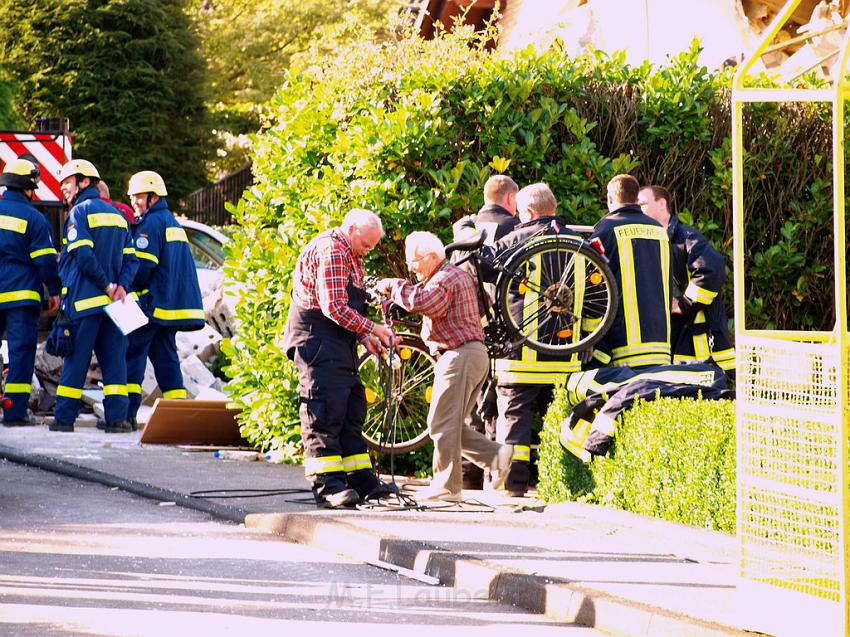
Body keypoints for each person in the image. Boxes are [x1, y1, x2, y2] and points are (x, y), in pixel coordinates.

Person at [375, 231, 513, 503]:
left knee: (440, 424)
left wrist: (395, 286)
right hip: (470, 355)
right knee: (449, 425)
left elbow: (425, 303)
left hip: (458, 356)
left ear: (431, 257)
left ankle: (448, 487)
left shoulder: (445, 277)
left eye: (413, 261)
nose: (412, 268)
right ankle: (498, 457)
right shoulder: (456, 275)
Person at [475, 183, 584, 496]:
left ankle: (513, 485)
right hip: (566, 350)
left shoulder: (517, 237)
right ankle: (561, 484)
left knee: (514, 419)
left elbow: (482, 265)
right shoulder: (577, 240)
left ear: (529, 212)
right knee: (559, 420)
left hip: (520, 353)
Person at [282, 209, 395, 508]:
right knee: (325, 411)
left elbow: (347, 310)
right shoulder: (332, 250)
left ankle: (360, 481)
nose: (367, 251)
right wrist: (372, 328)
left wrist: (363, 338)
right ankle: (328, 487)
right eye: (366, 244)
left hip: (337, 342)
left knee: (351, 408)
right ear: (352, 228)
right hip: (316, 339)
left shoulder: (350, 254)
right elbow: (333, 306)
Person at [49, 159, 139, 433]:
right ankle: (117, 420)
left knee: (76, 361)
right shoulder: (120, 217)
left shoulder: (80, 212)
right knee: (114, 364)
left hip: (86, 302)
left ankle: (64, 419)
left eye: (67, 182)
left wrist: (106, 285)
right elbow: (132, 260)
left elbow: (83, 255)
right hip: (114, 307)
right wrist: (120, 286)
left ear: (84, 182)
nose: (63, 188)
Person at [120, 171, 204, 430]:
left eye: (139, 196)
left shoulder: (151, 224)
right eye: (132, 196)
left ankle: (126, 415)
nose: (134, 201)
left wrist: (126, 286)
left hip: (152, 305)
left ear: (153, 196)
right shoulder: (170, 221)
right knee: (166, 358)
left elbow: (143, 267)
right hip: (168, 308)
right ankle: (179, 418)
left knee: (133, 354)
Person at [451, 174, 519, 490]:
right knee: (495, 396)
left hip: (467, 321)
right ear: (510, 200)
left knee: (469, 401)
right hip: (502, 321)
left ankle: (468, 477)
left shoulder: (466, 229)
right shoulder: (514, 228)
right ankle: (496, 475)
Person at [637, 185, 734, 377]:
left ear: (662, 204)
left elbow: (711, 271)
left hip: (701, 345)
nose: (638, 209)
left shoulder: (686, 237)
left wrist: (685, 303)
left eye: (643, 204)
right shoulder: (647, 241)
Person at [0, 158, 61, 426]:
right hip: (20, 297)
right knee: (21, 353)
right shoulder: (34, 219)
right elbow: (46, 261)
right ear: (28, 188)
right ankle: (14, 412)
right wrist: (55, 291)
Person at [589, 174, 671, 368]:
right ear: (636, 199)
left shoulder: (605, 230)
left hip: (623, 346)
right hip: (661, 341)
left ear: (610, 199)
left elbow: (595, 286)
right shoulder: (659, 230)